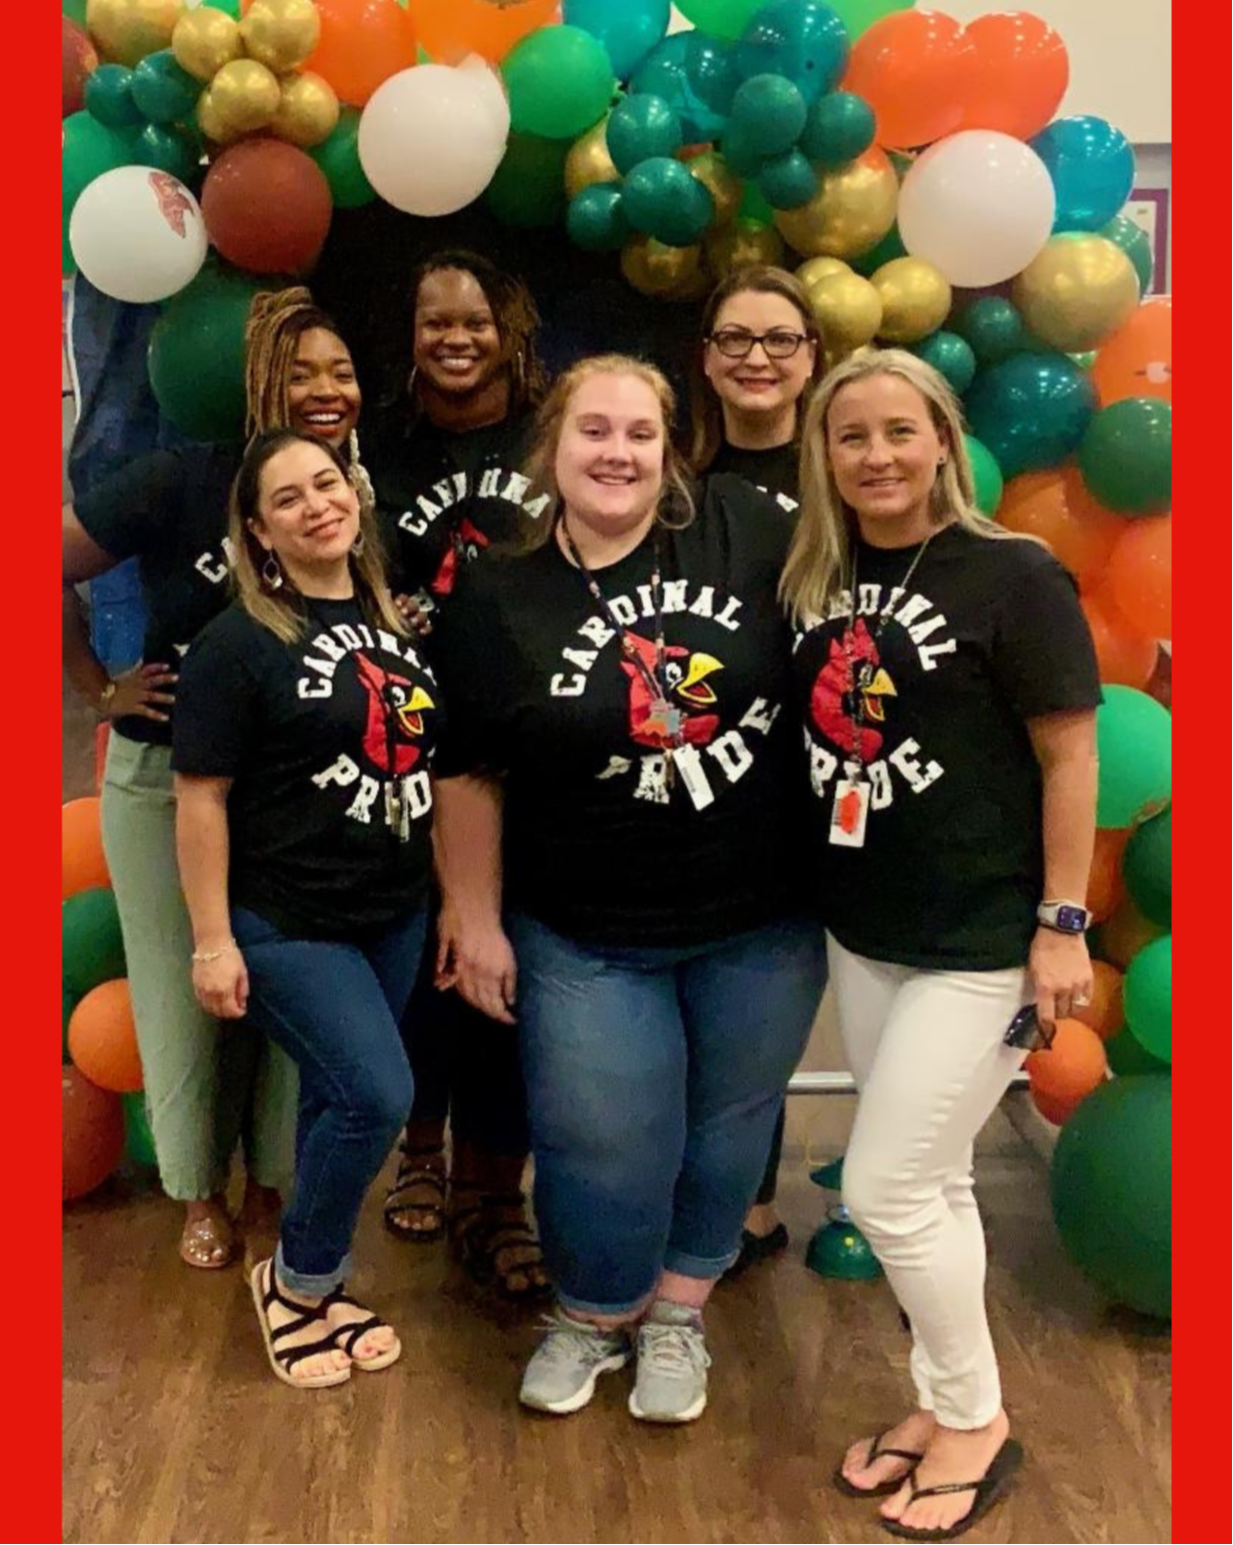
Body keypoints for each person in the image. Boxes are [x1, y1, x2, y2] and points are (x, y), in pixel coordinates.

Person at [431, 355, 827, 1423]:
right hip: (583, 927)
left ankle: (678, 1316)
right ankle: (594, 1311)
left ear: (670, 449)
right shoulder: (499, 591)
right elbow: (465, 769)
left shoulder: (746, 530)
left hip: (760, 916)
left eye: (640, 434)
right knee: (599, 1132)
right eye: (594, 432)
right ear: (552, 451)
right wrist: (472, 919)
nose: (618, 453)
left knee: (728, 1123)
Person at [784, 348, 1100, 1539]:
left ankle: (976, 1424)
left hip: (986, 943)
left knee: (885, 1185)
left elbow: (1071, 754)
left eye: (898, 432)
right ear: (825, 454)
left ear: (943, 438)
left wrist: (1063, 924)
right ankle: (942, 1402)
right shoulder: (819, 575)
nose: (876, 457)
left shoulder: (1014, 574)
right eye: (850, 436)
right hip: (872, 934)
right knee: (943, 1180)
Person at [61, 288, 369, 1270]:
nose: (327, 390)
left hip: (295, 782)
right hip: (163, 775)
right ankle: (197, 1193)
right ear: (256, 382)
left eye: (342, 370)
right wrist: (99, 688)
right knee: (179, 984)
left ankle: (273, 1179)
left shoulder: (354, 497)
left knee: (291, 982)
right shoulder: (175, 480)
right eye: (303, 370)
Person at [173, 429, 441, 1389]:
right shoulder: (235, 643)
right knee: (377, 1094)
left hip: (394, 910)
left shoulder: (391, 623)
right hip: (286, 918)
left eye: (326, 483)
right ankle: (299, 1280)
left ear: (355, 494)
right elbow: (199, 794)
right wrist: (212, 941)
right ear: (259, 529)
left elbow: (421, 764)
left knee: (338, 1096)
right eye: (288, 498)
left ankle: (313, 1283)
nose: (316, 504)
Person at [368, 250, 550, 1300]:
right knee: (420, 957)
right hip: (401, 739)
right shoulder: (378, 449)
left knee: (504, 958)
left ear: (508, 327)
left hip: (527, 743)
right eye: (435, 320)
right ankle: (420, 1146)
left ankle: (496, 1184)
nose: (454, 337)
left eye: (474, 319)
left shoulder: (547, 434)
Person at [691, 264, 826, 1276]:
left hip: (818, 783)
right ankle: (699, 1208)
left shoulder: (846, 479)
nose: (756, 359)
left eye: (779, 339)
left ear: (812, 357)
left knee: (764, 1016)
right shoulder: (676, 482)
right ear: (706, 358)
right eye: (736, 339)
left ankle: (756, 1206)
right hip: (701, 779)